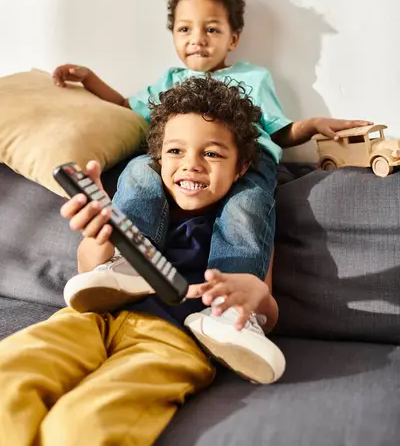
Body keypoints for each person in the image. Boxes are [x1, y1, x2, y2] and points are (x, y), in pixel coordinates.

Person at [53, 0, 370, 360]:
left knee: (246, 205)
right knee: (137, 169)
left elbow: (278, 129)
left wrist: (314, 126)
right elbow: (125, 107)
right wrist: (89, 77)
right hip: (144, 235)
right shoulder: (169, 80)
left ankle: (230, 309)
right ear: (172, 36)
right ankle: (130, 262)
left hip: (250, 164)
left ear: (233, 37)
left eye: (212, 30)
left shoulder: (253, 77)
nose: (197, 39)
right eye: (185, 30)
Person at [0, 76, 286, 446]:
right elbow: (90, 270)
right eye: (175, 152)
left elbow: (268, 310)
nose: (191, 165)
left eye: (212, 154)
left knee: (82, 426)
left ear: (242, 167)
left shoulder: (246, 222)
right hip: (93, 319)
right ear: (159, 156)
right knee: (9, 379)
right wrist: (98, 233)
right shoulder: (143, 204)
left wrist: (255, 294)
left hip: (174, 340)